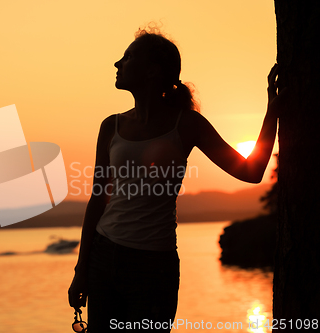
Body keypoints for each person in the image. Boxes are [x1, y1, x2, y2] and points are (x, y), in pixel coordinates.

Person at [68, 25, 283, 332]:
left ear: (152, 71)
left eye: (127, 58)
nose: (118, 64)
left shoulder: (187, 125)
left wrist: (271, 114)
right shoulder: (110, 126)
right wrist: (81, 271)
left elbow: (250, 172)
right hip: (104, 258)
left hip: (153, 267)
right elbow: (97, 201)